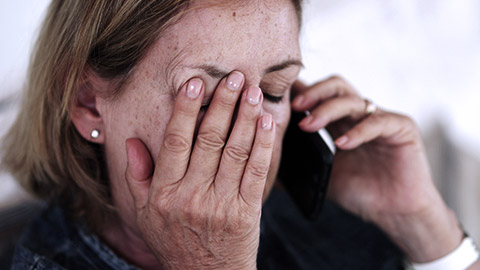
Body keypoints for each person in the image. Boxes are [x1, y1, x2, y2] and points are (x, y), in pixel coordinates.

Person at [2, 0, 479, 269]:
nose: (254, 134)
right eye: (206, 100)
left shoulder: (325, 221)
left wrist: (427, 231)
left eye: (273, 90)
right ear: (87, 101)